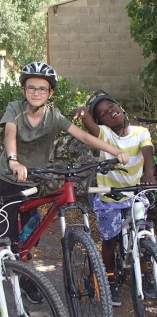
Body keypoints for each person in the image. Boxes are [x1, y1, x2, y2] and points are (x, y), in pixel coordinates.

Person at [0, 62, 129, 303]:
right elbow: (9, 134)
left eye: (42, 88)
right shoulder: (14, 109)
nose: (36, 92)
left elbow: (82, 135)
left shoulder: (53, 116)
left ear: (50, 93)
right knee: (6, 238)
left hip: (33, 181)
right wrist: (14, 161)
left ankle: (26, 277)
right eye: (31, 87)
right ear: (24, 90)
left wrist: (114, 151)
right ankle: (8, 270)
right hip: (7, 179)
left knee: (30, 235)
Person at [73, 90, 156, 306]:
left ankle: (146, 276)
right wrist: (84, 114)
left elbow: (147, 153)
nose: (109, 111)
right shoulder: (104, 135)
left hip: (135, 192)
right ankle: (110, 281)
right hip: (109, 196)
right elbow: (90, 127)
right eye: (103, 113)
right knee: (109, 240)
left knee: (142, 235)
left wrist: (149, 174)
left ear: (122, 108)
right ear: (102, 122)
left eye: (111, 105)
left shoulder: (141, 132)